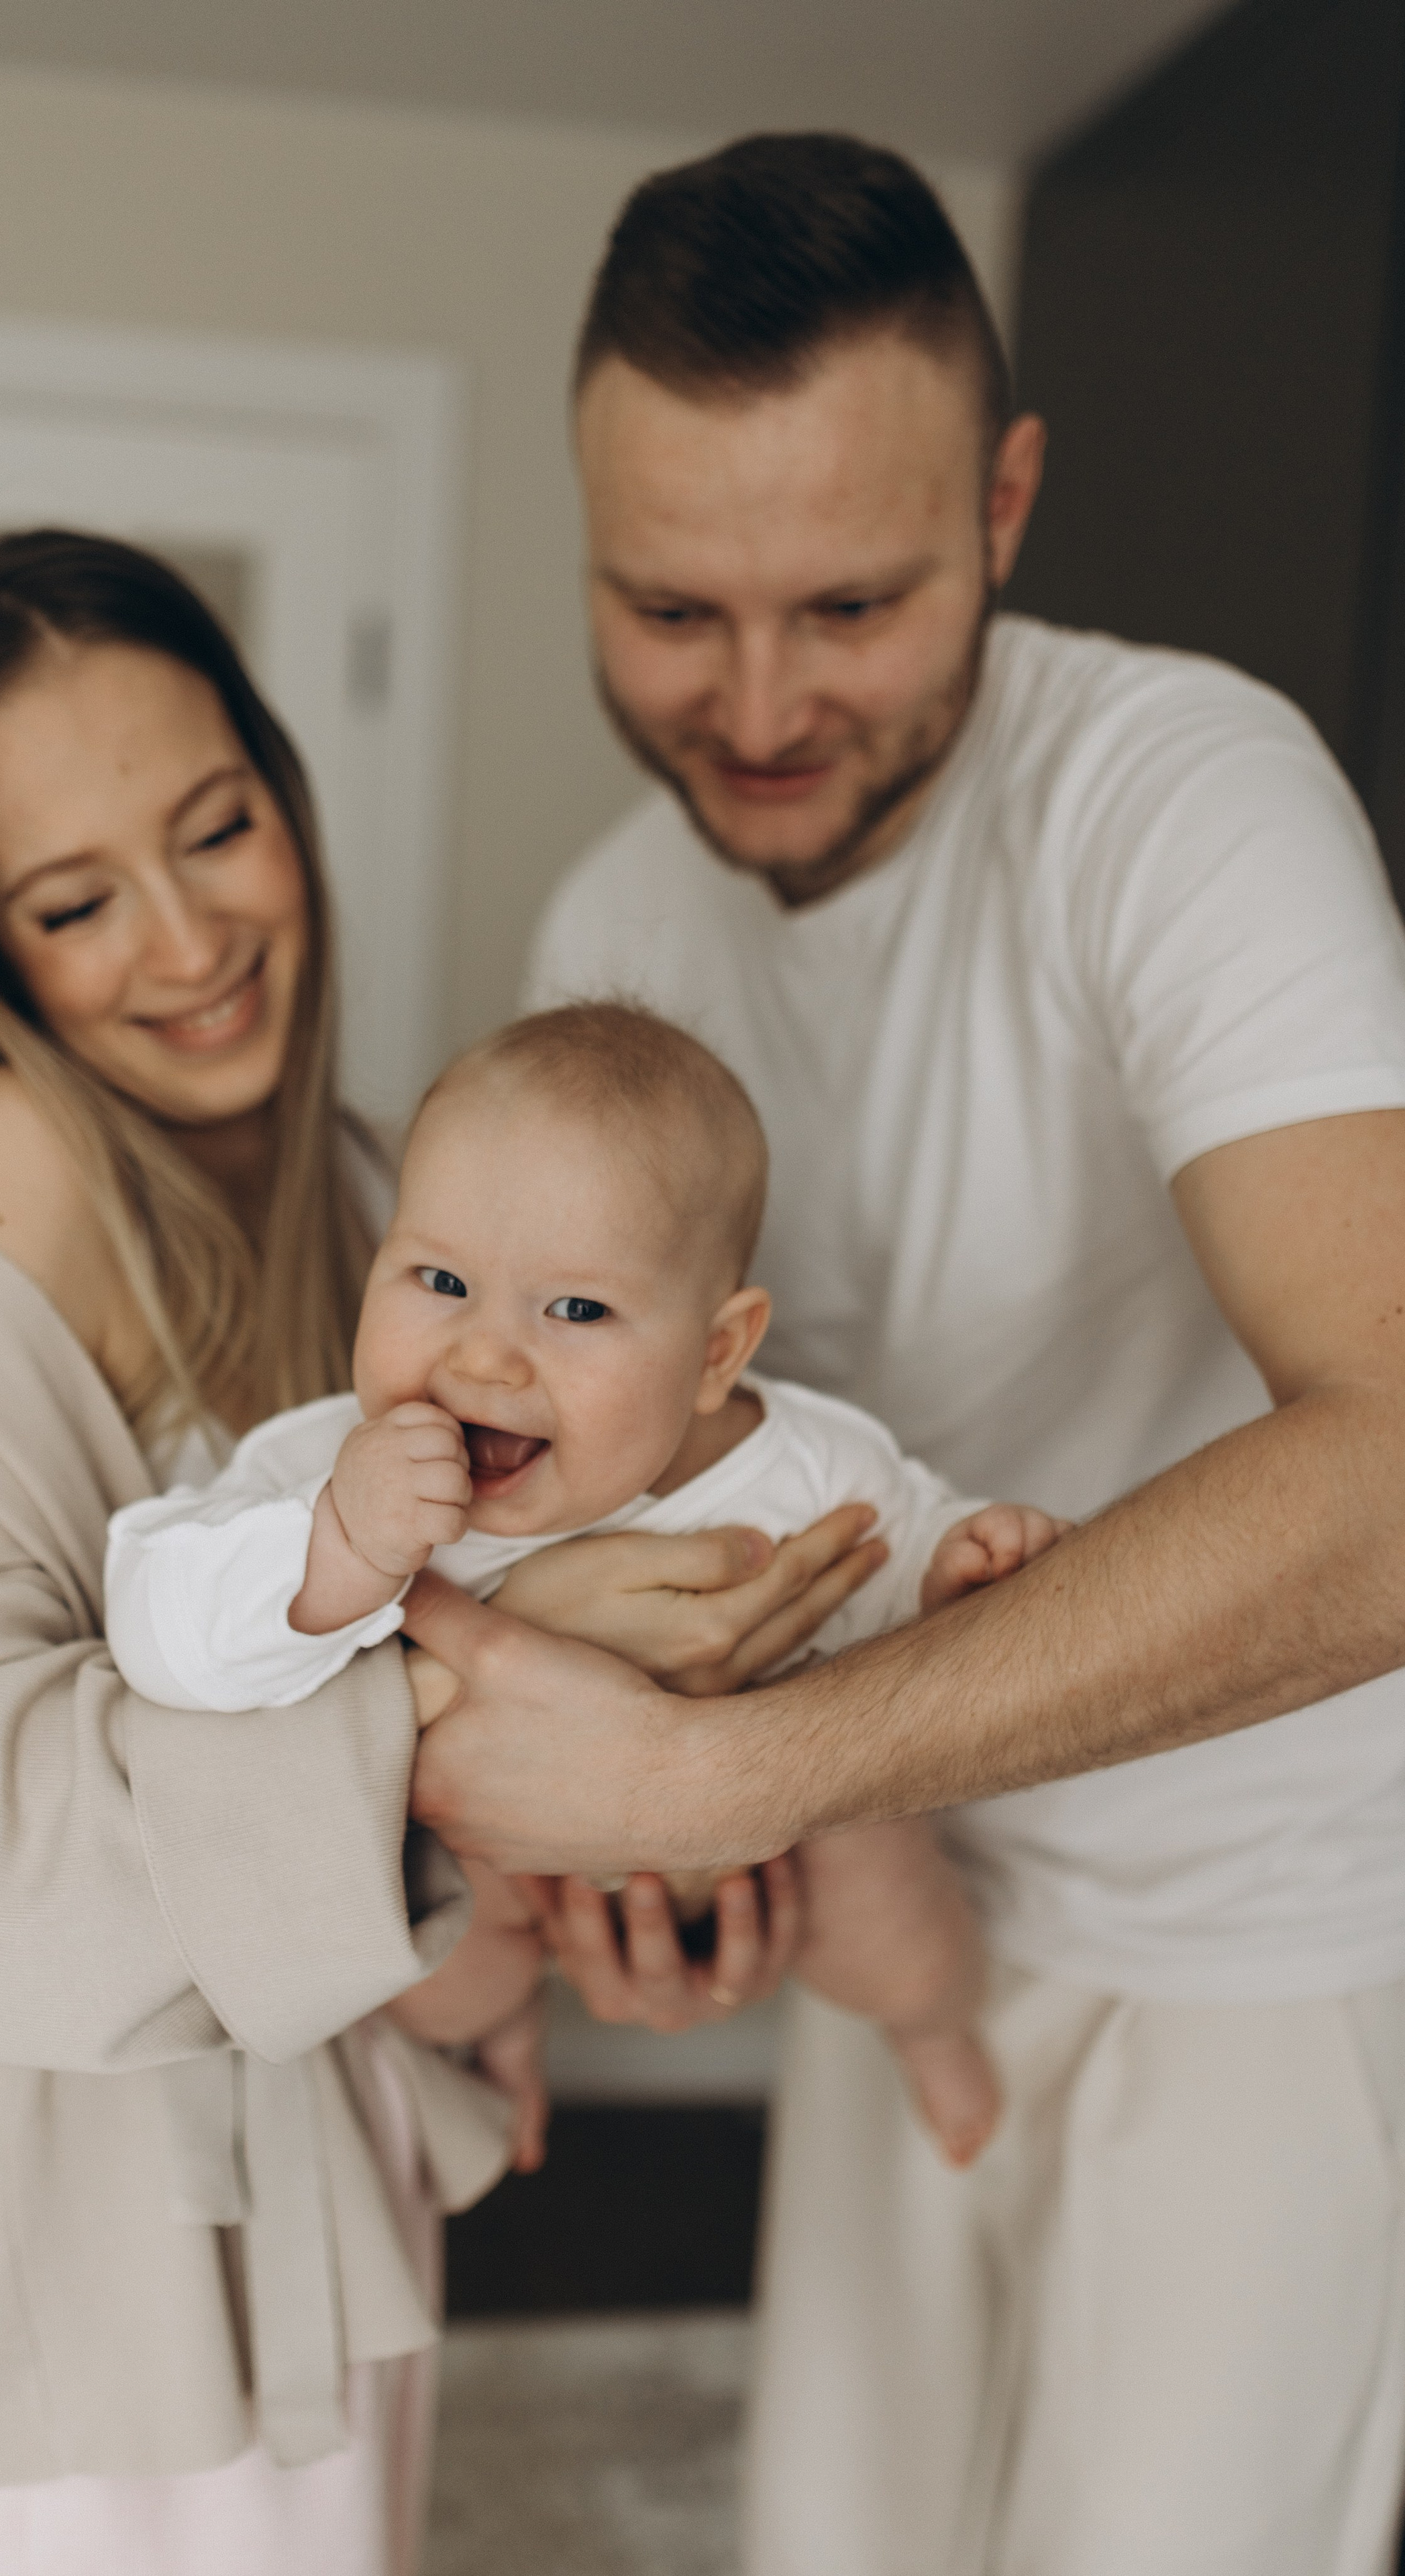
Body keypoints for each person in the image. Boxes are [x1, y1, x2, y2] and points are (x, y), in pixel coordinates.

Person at [403, 135, 1405, 2574]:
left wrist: (700, 1774)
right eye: (667, 608)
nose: (755, 705)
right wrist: (666, 1841)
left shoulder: (1182, 799)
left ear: (1010, 504)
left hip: (1269, 1925)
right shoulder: (620, 911)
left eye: (850, 603)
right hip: (907, 1891)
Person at [0, 531, 864, 2575]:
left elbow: (483, 1718)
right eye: (73, 902)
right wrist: (448, 1727)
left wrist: (597, 1857)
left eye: (216, 828)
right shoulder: (13, 1170)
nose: (188, 940)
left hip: (328, 2157)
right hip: (90, 2238)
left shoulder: (372, 1202)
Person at [104, 1000, 1065, 2166]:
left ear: (717, 1354)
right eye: (439, 1279)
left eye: (576, 1309)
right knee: (425, 1974)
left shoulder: (803, 1465)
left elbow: (899, 1545)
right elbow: (154, 1625)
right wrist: (332, 1551)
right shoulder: (328, 1475)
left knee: (892, 1894)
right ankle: (502, 2026)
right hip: (494, 1845)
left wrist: (960, 1564)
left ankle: (931, 2029)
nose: (484, 1356)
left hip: (766, 1831)